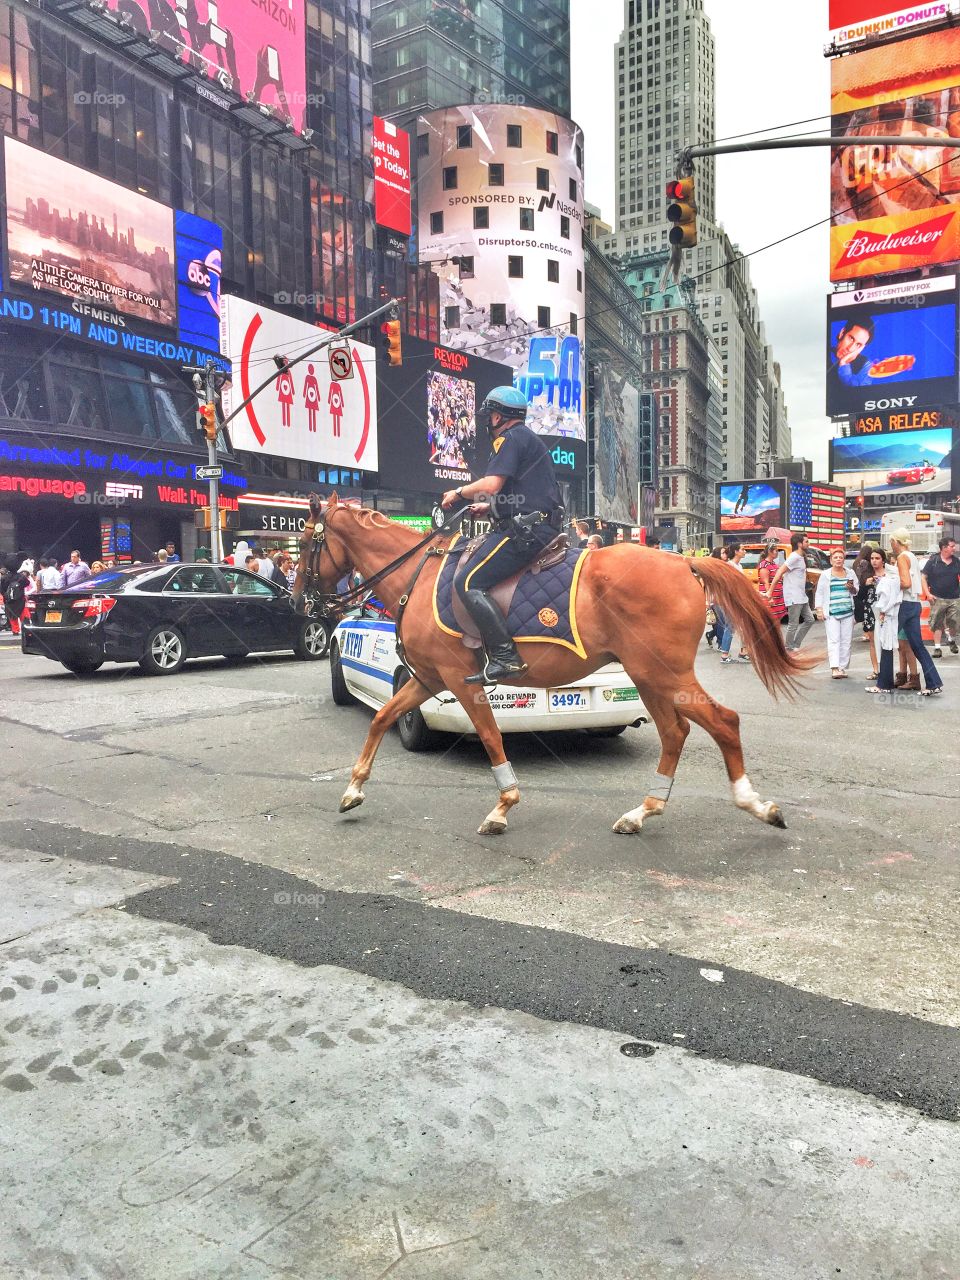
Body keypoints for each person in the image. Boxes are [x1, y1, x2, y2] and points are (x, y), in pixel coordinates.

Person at [441, 385, 563, 684]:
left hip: (528, 531)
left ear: (499, 416)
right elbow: (523, 492)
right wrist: (490, 508)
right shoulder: (529, 439)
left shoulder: (508, 439)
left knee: (468, 581)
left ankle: (505, 657)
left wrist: (458, 492)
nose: (488, 421)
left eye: (490, 414)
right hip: (540, 523)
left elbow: (493, 483)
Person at [889, 528, 942, 695]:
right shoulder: (911, 555)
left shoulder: (902, 557)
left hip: (904, 603)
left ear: (895, 542)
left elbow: (905, 583)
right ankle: (934, 683)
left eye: (892, 541)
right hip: (914, 604)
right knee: (918, 646)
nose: (891, 545)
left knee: (886, 640)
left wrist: (888, 583)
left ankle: (883, 681)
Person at [815, 548, 857, 678]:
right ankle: (834, 667)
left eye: (840, 557)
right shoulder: (826, 574)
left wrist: (852, 588)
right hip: (832, 612)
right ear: (831, 560)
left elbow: (856, 591)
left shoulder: (850, 573)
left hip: (848, 612)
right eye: (836, 557)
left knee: (846, 641)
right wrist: (819, 609)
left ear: (844, 560)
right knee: (834, 640)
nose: (838, 559)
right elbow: (820, 592)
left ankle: (842, 667)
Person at [865, 548, 903, 695]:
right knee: (880, 643)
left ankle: (885, 682)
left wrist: (883, 611)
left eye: (878, 558)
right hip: (881, 612)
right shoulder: (891, 579)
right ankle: (883, 679)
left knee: (886, 645)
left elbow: (888, 599)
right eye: (872, 558)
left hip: (886, 614)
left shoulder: (891, 579)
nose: (874, 561)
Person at [770, 532, 814, 652]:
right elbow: (780, 572)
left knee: (810, 619)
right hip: (794, 596)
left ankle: (794, 644)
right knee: (793, 624)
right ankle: (789, 647)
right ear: (799, 544)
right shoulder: (794, 557)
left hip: (801, 596)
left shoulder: (800, 557)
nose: (808, 544)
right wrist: (770, 591)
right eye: (806, 541)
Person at [922, 536, 959, 659]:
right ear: (944, 548)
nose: (955, 548)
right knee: (937, 623)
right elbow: (924, 578)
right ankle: (937, 648)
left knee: (954, 622)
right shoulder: (933, 561)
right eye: (952, 546)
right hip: (937, 597)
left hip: (954, 598)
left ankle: (952, 640)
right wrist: (928, 593)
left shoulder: (956, 561)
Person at [827, 317, 875, 400]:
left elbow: (860, 395)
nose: (850, 348)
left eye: (858, 345)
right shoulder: (823, 354)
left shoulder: (866, 364)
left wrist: (844, 364)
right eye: (851, 338)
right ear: (842, 333)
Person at [718, 542, 750, 664]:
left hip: (740, 601)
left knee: (744, 626)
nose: (745, 551)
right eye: (743, 549)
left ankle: (743, 652)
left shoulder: (739, 566)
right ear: (736, 551)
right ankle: (725, 655)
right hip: (731, 601)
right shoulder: (729, 566)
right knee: (730, 627)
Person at [757, 539, 786, 624]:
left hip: (778, 599)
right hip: (771, 599)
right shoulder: (764, 565)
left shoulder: (774, 564)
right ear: (770, 551)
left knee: (776, 622)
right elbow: (766, 583)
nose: (777, 552)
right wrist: (770, 598)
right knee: (769, 622)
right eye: (776, 550)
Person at [4, 562, 34, 635]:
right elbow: (27, 583)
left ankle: (15, 630)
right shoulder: (20, 576)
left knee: (12, 614)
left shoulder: (5, 577)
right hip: (20, 598)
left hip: (9, 600)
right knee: (23, 613)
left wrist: (5, 595)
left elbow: (2, 588)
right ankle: (26, 629)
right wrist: (20, 587)